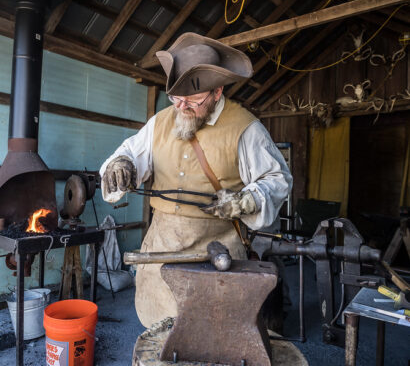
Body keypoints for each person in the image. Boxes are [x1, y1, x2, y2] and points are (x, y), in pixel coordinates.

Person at [99, 32, 293, 328]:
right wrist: (121, 164)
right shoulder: (161, 122)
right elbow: (130, 154)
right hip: (160, 253)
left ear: (217, 92)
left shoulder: (245, 128)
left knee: (214, 335)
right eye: (176, 98)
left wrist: (248, 199)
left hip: (218, 255)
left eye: (193, 100)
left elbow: (278, 179)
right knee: (160, 334)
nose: (182, 107)